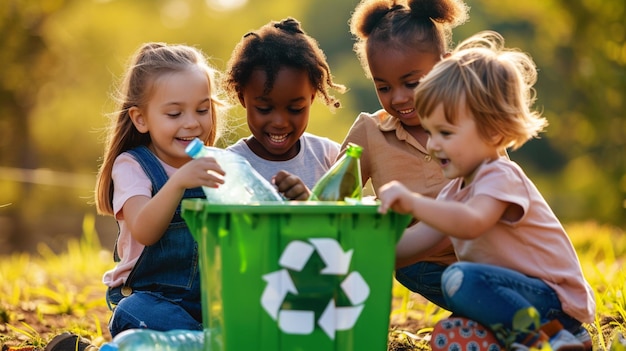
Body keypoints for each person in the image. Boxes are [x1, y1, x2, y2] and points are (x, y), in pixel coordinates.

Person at [377, 31, 595, 350]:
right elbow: (413, 245)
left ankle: (556, 338)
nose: (433, 145)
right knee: (450, 323)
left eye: (446, 133)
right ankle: (515, 339)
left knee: (458, 279)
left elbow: (471, 221)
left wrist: (412, 203)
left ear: (492, 130)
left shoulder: (500, 175)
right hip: (512, 296)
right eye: (430, 130)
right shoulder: (454, 191)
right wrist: (363, 250)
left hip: (552, 300)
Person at [94, 42, 228, 337]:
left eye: (202, 109)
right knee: (137, 313)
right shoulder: (132, 165)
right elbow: (144, 230)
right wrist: (179, 182)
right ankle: (202, 340)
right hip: (150, 301)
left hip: (209, 304)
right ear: (141, 119)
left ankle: (200, 340)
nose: (192, 123)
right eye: (174, 114)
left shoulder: (215, 165)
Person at [340, 0, 469, 307]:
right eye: (383, 87)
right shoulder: (370, 133)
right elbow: (336, 199)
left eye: (412, 83)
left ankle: (490, 317)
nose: (398, 98)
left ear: (445, 67)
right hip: (427, 263)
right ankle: (483, 316)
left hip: (491, 254)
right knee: (408, 268)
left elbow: (503, 185)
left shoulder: (472, 122)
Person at [223, 17, 347, 200]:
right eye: (264, 109)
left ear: (311, 97)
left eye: (295, 109)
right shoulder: (228, 166)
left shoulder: (330, 158)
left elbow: (348, 223)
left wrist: (310, 204)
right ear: (242, 98)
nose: (280, 122)